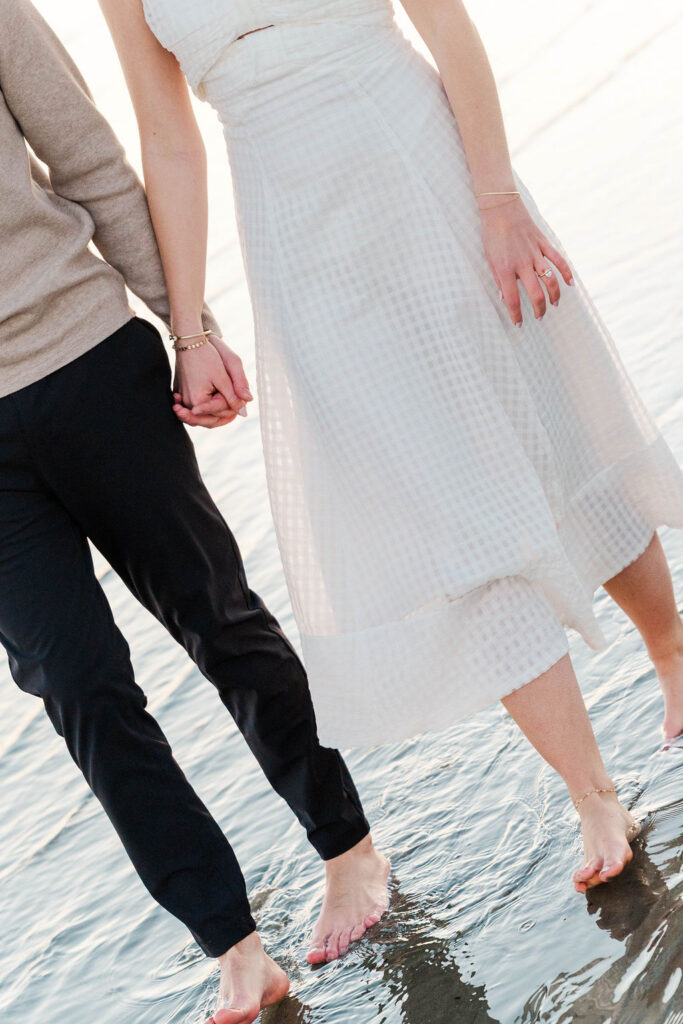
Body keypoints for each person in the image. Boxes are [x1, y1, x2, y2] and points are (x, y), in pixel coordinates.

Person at [99, 0, 683, 1012]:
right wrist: (188, 325)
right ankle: (592, 793)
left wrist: (496, 198)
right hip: (298, 242)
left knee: (548, 420)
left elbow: (443, 22)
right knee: (444, 507)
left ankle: (671, 651)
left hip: (419, 160)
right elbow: (166, 136)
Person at [0, 3, 391, 1021]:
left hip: (84, 357)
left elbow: (87, 157)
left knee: (216, 614)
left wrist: (190, 327)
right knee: (80, 691)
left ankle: (346, 847)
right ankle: (231, 940)